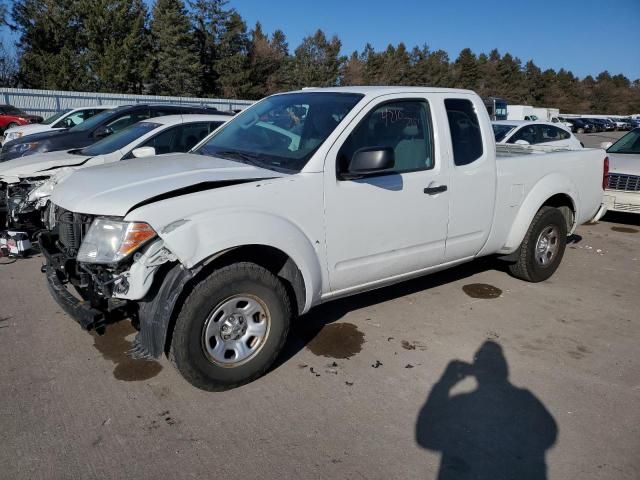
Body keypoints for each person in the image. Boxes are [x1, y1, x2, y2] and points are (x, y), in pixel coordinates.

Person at [416, 341, 558, 480]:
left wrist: (444, 383)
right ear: (504, 370)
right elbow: (550, 433)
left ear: (475, 370)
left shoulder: (459, 404)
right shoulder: (525, 399)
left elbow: (425, 436)